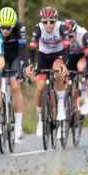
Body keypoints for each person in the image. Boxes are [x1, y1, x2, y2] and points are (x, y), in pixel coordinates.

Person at [26, 7, 70, 136]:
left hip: (59, 54)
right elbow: (33, 48)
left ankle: (61, 104)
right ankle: (41, 119)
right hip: (43, 56)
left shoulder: (62, 27)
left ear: (56, 21)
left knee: (58, 70)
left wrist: (64, 63)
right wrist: (30, 65)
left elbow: (67, 47)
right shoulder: (38, 28)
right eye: (45, 22)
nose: (48, 25)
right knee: (40, 87)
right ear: (41, 21)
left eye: (51, 21)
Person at [0, 7, 26, 142]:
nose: (5, 31)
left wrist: (21, 69)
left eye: (8, 28)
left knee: (15, 85)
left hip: (15, 56)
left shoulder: (20, 27)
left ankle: (18, 125)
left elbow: (23, 51)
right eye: (2, 28)